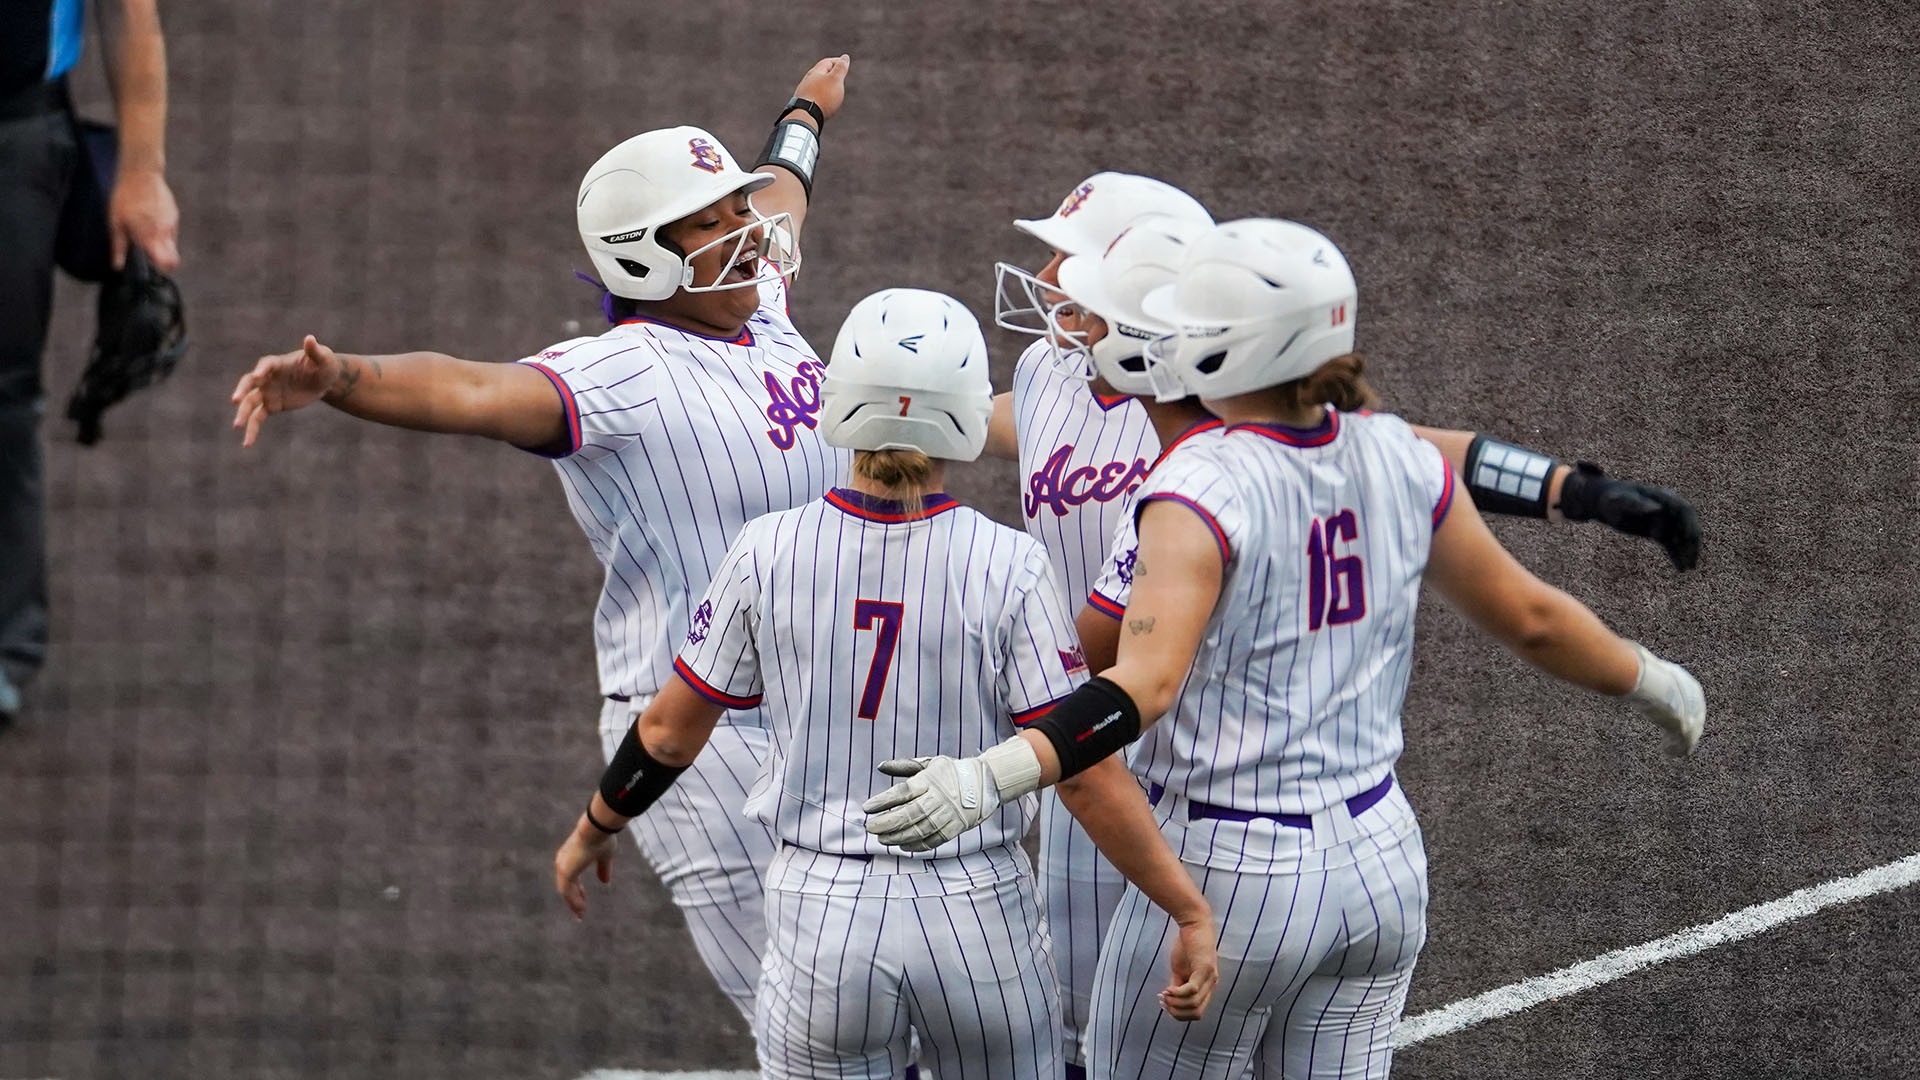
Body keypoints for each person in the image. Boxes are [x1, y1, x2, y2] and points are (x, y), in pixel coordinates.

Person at [862, 219, 1707, 1078]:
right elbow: (1533, 617)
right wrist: (1653, 679)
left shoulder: (1199, 485)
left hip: (1232, 875)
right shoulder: (1390, 451)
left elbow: (1144, 686)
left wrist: (987, 776)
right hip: (1380, 869)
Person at [229, 56, 852, 1020]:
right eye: (716, 221)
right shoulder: (620, 375)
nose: (751, 234)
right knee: (814, 1020)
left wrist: (806, 111)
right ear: (646, 257)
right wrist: (343, 377)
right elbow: (469, 388)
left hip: (818, 702)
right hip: (698, 743)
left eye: (739, 212)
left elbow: (786, 187)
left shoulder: (762, 306)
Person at [553, 288, 1220, 1080]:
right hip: (978, 919)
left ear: (839, 404)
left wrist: (598, 821)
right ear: (967, 417)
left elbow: (668, 731)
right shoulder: (1008, 563)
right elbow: (1082, 775)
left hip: (822, 921)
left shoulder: (765, 550)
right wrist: (1185, 906)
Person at [1, 0, 180, 728]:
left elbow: (130, 12)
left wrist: (141, 172)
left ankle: (5, 645)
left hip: (15, 137)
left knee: (3, 398)